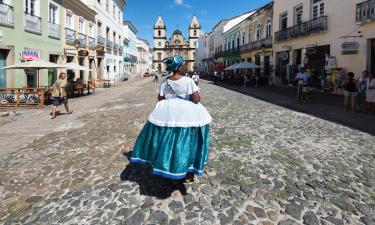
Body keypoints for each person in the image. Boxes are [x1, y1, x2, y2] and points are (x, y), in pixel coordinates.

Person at [130, 55, 212, 183]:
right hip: (187, 115)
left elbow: (160, 98)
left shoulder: (165, 81)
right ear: (178, 68)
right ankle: (188, 173)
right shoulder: (188, 81)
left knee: (169, 143)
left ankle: (170, 169)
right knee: (189, 143)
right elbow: (196, 100)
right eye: (183, 65)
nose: (186, 68)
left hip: (168, 114)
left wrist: (171, 102)